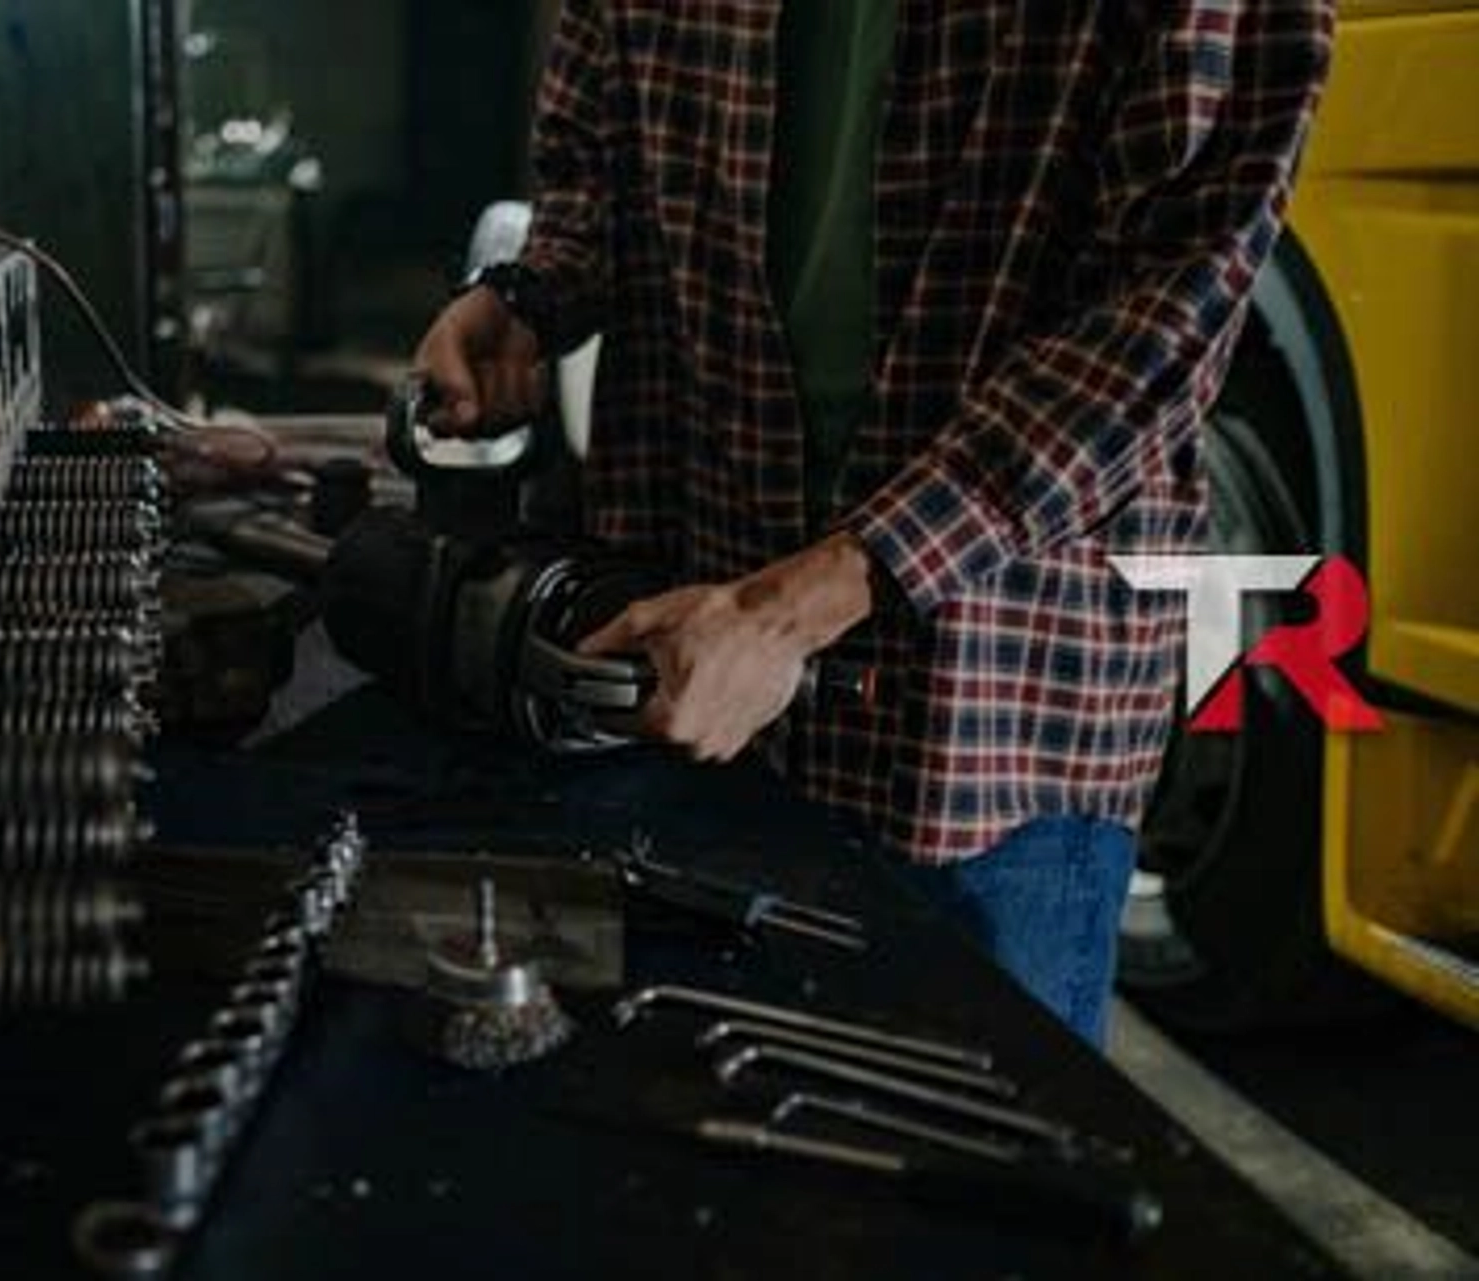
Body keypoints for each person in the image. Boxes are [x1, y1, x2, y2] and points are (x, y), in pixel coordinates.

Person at [411, 1, 1334, 1047]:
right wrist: (528, 300)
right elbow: (593, 172)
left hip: (980, 707)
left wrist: (793, 607)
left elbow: (1160, 319)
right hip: (674, 654)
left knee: (985, 1130)